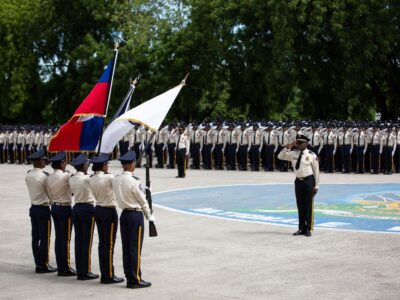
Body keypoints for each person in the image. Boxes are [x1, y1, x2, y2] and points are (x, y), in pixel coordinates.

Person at [112, 150, 154, 289]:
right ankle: (135, 279)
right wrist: (150, 216)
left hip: (124, 214)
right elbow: (142, 201)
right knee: (135, 248)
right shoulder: (134, 181)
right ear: (131, 165)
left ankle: (129, 275)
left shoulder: (116, 178)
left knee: (127, 248)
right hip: (135, 216)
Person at [89, 153, 124, 284]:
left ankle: (105, 272)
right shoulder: (109, 177)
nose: (108, 166)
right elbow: (119, 181)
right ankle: (108, 275)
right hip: (108, 211)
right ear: (103, 166)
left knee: (102, 244)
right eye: (107, 164)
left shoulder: (92, 178)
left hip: (98, 209)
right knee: (109, 244)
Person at [278, 134, 320, 237]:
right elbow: (280, 156)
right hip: (298, 182)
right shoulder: (293, 153)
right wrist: (289, 146)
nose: (299, 145)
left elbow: (316, 171)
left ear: (306, 144)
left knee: (308, 205)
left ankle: (308, 228)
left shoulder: (311, 155)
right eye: (298, 142)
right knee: (300, 205)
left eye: (301, 143)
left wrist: (317, 185)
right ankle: (301, 228)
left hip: (309, 181)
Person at [25, 149, 57, 273]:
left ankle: (38, 263)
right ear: (38, 161)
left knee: (35, 237)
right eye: (43, 159)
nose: (45, 161)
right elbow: (50, 193)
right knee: (45, 238)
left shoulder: (28, 175)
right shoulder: (44, 176)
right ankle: (44, 264)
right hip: (43, 208)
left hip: (33, 208)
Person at [69, 154, 99, 280]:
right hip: (87, 209)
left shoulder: (72, 178)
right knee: (87, 241)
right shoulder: (88, 178)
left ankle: (80, 269)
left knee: (79, 241)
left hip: (76, 208)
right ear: (83, 166)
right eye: (87, 164)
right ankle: (85, 271)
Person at [46, 151, 76, 276]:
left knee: (59, 238)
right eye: (65, 162)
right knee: (66, 239)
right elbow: (73, 190)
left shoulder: (49, 177)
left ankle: (60, 266)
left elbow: (48, 193)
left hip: (54, 207)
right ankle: (65, 267)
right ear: (62, 163)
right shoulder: (66, 176)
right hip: (64, 208)